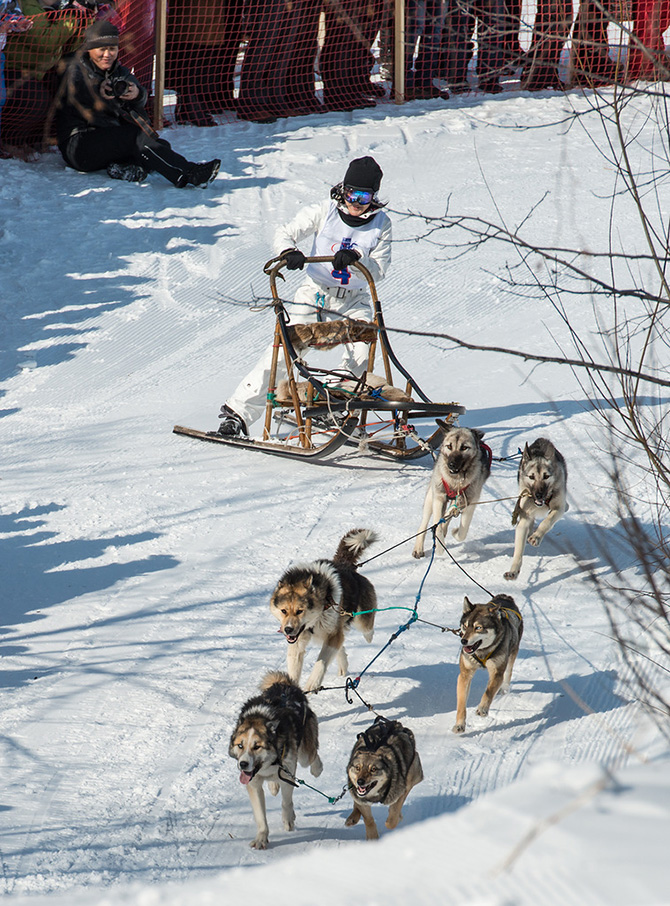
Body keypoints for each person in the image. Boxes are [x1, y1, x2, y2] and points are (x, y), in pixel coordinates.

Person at [218, 156, 392, 437]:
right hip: (315, 295)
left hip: (353, 300)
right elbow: (285, 232)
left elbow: (379, 270)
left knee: (362, 352)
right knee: (286, 349)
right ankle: (237, 413)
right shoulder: (325, 212)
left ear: (374, 196)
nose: (356, 202)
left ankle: (334, 407)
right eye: (351, 193)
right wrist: (289, 252)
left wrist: (357, 260)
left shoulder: (381, 224)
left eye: (364, 195)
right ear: (342, 189)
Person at [55, 20, 220, 186]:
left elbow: (140, 96)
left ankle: (124, 167)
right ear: (89, 48)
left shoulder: (118, 70)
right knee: (137, 138)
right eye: (102, 49)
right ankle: (189, 173)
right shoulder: (73, 66)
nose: (107, 54)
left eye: (112, 49)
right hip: (79, 144)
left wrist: (136, 94)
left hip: (107, 135)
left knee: (160, 145)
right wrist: (98, 88)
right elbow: (77, 90)